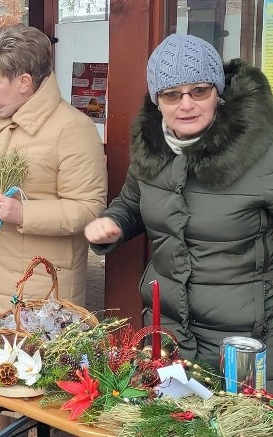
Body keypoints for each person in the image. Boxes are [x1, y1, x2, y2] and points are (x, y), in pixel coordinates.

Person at [85, 33, 273, 385]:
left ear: (218, 91)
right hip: (170, 334)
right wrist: (112, 223)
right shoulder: (151, 147)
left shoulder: (263, 151)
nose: (186, 104)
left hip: (244, 343)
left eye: (199, 91)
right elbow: (131, 203)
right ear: (158, 100)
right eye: (172, 94)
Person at [0, 25, 107, 434]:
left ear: (24, 82)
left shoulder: (72, 129)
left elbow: (90, 209)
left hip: (36, 291)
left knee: (32, 403)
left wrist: (24, 214)